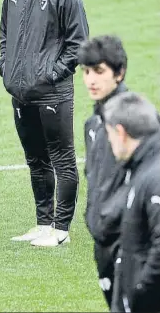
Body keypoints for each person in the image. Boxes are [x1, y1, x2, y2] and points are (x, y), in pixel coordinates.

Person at [0, 0, 89, 247]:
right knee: (35, 160)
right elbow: (5, 37)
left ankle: (61, 229)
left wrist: (52, 73)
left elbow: (79, 43)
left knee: (61, 158)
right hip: (21, 94)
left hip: (53, 93)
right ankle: (43, 223)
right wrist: (6, 69)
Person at [78, 35, 129, 307]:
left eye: (99, 71)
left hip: (130, 241)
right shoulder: (93, 124)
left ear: (119, 73)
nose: (91, 80)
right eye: (86, 72)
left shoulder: (135, 122)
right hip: (103, 240)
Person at [103, 92, 160, 313]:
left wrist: (139, 291)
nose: (109, 142)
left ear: (121, 133)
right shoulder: (143, 166)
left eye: (109, 134)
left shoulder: (153, 176)